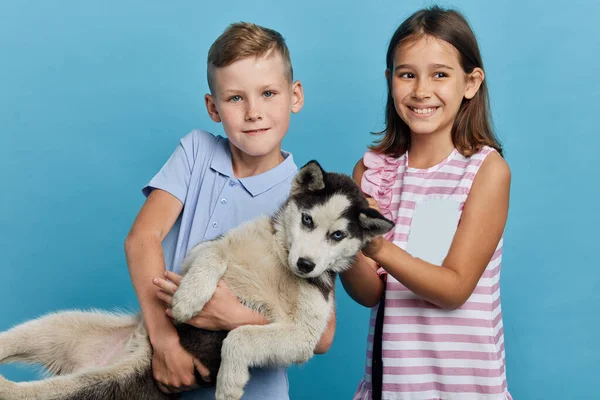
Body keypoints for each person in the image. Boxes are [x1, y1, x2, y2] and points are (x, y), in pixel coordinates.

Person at [124, 22, 335, 400]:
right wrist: (165, 343)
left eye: (268, 93)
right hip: (163, 378)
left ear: (295, 95)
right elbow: (142, 238)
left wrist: (233, 316)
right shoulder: (195, 152)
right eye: (236, 98)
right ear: (213, 107)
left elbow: (321, 336)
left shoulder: (305, 202)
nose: (254, 112)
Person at [340, 7, 512, 400]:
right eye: (407, 74)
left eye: (439, 74)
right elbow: (370, 293)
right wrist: (342, 246)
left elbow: (453, 289)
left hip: (465, 387)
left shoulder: (486, 171)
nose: (421, 90)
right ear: (390, 80)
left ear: (471, 82)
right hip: (393, 386)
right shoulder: (372, 171)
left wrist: (377, 246)